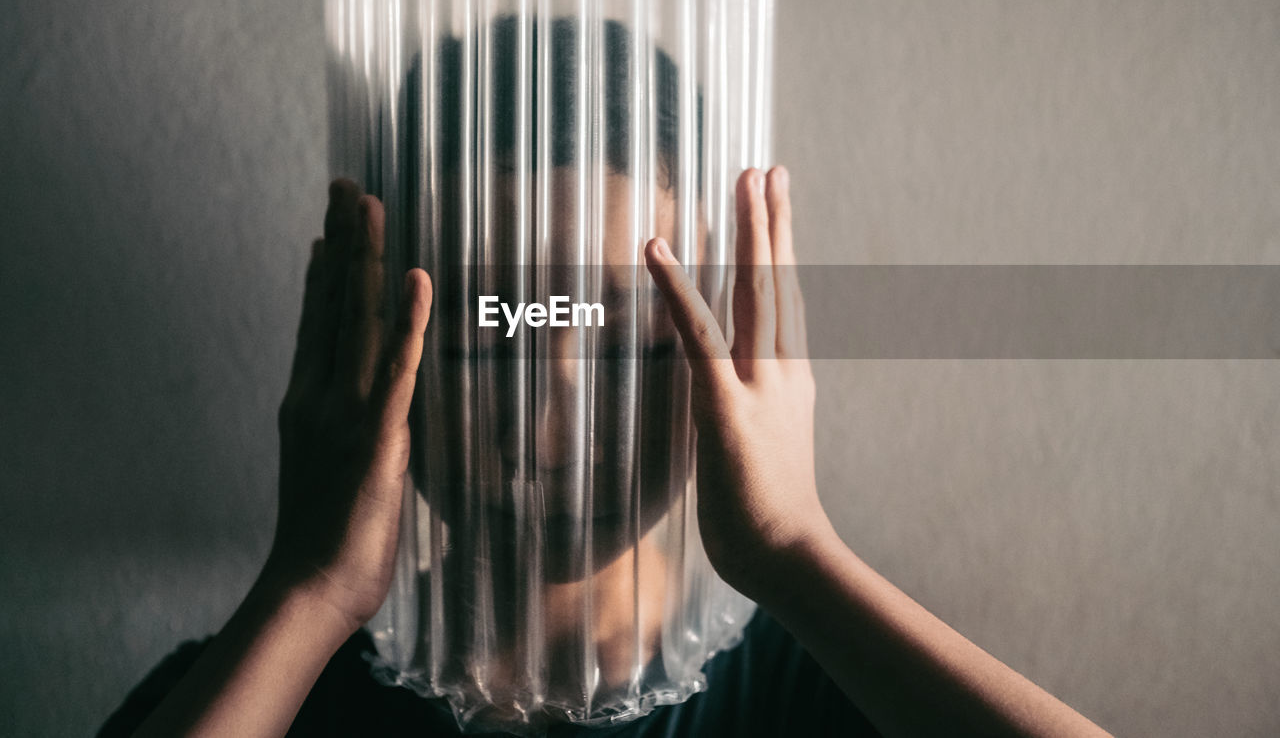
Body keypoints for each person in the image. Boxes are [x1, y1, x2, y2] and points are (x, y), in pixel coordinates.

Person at [100, 162, 1111, 738]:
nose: (554, 415)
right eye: (494, 327)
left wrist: (799, 553)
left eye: (624, 328)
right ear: (376, 348)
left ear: (719, 340)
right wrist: (309, 588)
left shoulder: (827, 696)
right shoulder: (261, 694)